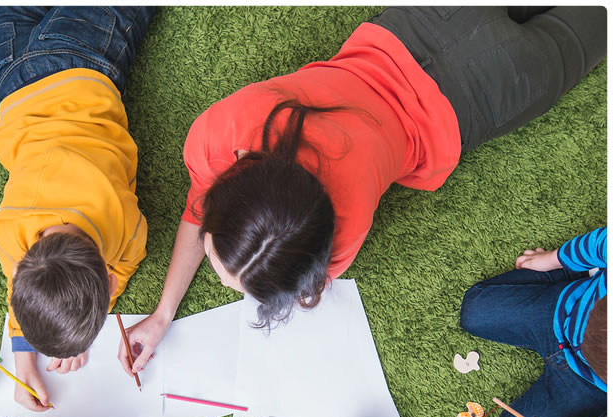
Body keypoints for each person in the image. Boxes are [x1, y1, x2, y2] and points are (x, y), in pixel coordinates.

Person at [119, 6, 606, 375]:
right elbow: (199, 210)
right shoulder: (220, 132)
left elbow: (204, 214)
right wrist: (162, 316)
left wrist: (165, 316)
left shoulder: (342, 231)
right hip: (417, 24)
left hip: (481, 95)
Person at [0, 6, 157, 412]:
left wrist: (94, 312)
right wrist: (22, 356)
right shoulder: (10, 236)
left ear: (110, 286)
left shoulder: (125, 226)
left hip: (83, 67)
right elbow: (17, 291)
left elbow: (124, 265)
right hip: (13, 80)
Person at [460, 227, 607, 417]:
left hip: (590, 386)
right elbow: (600, 243)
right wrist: (553, 260)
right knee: (475, 311)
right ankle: (573, 274)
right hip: (561, 310)